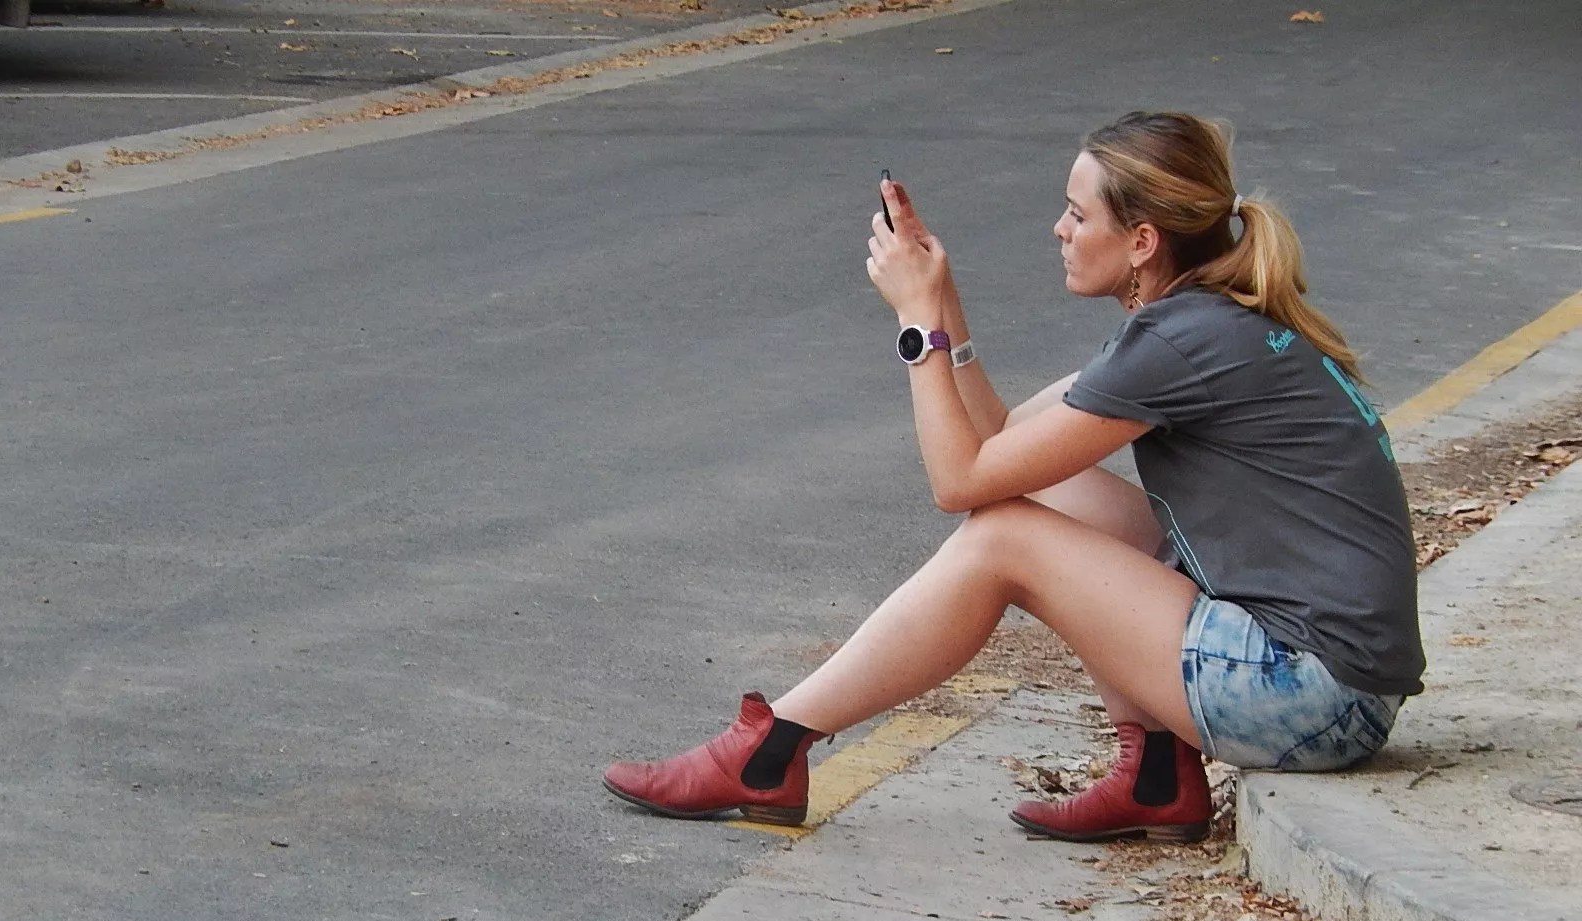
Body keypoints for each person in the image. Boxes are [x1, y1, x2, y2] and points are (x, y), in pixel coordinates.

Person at [603, 111, 1425, 842]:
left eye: (1078, 213)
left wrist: (917, 325)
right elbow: (1001, 444)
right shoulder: (1201, 318)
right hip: (1328, 679)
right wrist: (946, 300)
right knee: (1032, 495)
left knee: (1004, 537)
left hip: (1313, 697)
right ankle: (1154, 774)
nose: (1059, 229)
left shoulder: (1180, 341)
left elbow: (957, 480)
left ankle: (771, 749)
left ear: (1142, 242)